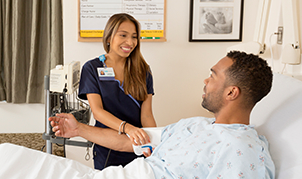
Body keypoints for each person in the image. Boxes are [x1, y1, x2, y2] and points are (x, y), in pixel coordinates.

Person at [50, 51, 275, 178]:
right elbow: (128, 142)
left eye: (213, 76)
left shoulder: (240, 150)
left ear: (231, 92)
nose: (206, 80)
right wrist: (78, 129)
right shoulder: (196, 125)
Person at [77, 13, 156, 170]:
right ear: (108, 37)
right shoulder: (92, 68)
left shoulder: (143, 70)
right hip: (108, 147)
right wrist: (128, 128)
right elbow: (98, 112)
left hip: (138, 146)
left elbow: (146, 115)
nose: (130, 42)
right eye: (123, 35)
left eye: (134, 37)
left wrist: (154, 142)